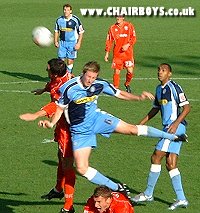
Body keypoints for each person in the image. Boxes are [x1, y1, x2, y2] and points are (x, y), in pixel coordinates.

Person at [38, 61, 187, 198]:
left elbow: (119, 93)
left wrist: (138, 97)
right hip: (80, 130)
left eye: (93, 77)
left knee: (131, 129)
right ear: (83, 73)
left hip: (98, 119)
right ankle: (116, 187)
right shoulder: (69, 87)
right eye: (89, 76)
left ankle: (171, 136)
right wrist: (51, 124)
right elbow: (60, 108)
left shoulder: (99, 84)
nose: (90, 80)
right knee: (82, 168)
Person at [131, 63, 190, 210]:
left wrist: (176, 124)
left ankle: (149, 193)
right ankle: (182, 199)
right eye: (159, 70)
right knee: (171, 163)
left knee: (156, 156)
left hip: (173, 128)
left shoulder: (174, 87)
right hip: (169, 128)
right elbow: (155, 109)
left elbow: (187, 107)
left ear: (169, 73)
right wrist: (141, 124)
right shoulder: (159, 89)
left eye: (164, 70)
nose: (160, 72)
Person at [20, 58, 75, 213]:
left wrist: (35, 114)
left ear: (55, 74)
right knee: (61, 156)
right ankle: (58, 189)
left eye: (48, 69)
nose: (46, 71)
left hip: (69, 127)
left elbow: (56, 105)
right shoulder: (60, 77)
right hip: (61, 125)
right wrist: (44, 90)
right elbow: (51, 84)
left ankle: (68, 207)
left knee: (68, 164)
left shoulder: (63, 86)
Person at [104, 15, 136, 93]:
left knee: (130, 71)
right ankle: (116, 88)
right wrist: (107, 53)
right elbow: (109, 41)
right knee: (117, 71)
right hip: (117, 54)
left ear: (123, 18)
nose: (118, 18)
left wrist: (127, 45)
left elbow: (134, 38)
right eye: (117, 17)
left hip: (128, 54)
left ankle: (127, 83)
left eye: (120, 17)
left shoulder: (129, 26)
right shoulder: (112, 28)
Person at [54, 3, 84, 73]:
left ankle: (68, 75)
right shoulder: (59, 20)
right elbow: (56, 31)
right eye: (64, 10)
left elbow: (81, 32)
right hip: (62, 43)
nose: (66, 11)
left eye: (67, 10)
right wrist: (55, 41)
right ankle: (61, 76)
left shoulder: (75, 20)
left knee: (70, 61)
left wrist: (78, 43)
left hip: (72, 43)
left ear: (71, 11)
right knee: (60, 62)